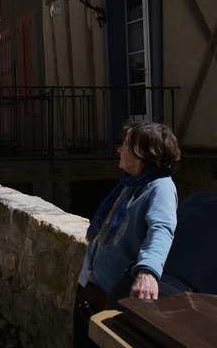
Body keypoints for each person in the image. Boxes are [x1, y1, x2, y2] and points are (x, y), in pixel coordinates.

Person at [72, 121, 181, 348]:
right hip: (92, 286)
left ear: (142, 155)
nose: (119, 149)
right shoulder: (132, 184)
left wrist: (148, 271)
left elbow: (161, 229)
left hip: (113, 296)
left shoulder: (160, 187)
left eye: (126, 145)